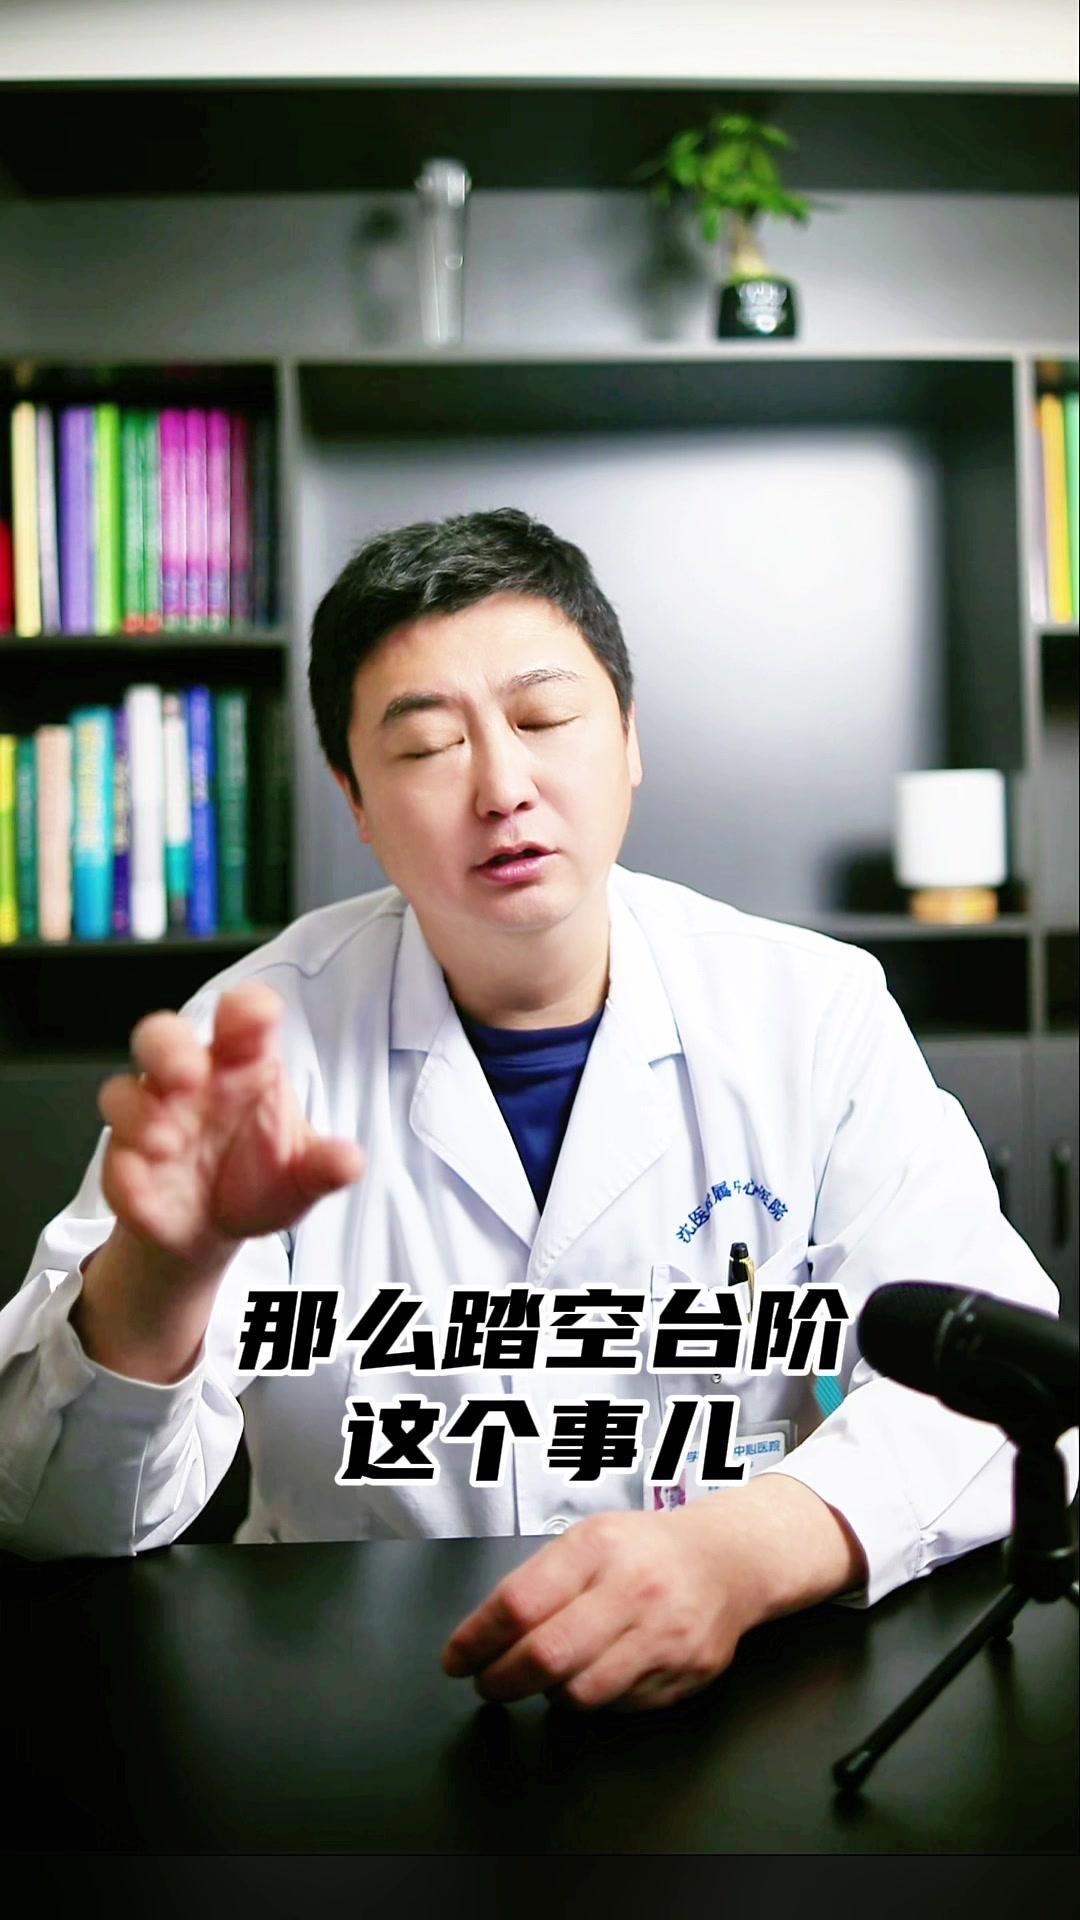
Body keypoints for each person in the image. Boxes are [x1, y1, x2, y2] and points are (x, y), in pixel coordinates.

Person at [0, 509, 1072, 1716]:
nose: (502, 788)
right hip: (346, 1702)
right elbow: (53, 1516)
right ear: (356, 800)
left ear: (628, 740)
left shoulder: (813, 1013)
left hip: (746, 1682)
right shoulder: (249, 1043)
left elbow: (1014, 1399)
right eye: (426, 746)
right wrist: (165, 1272)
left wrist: (744, 1551)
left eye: (545, 719)